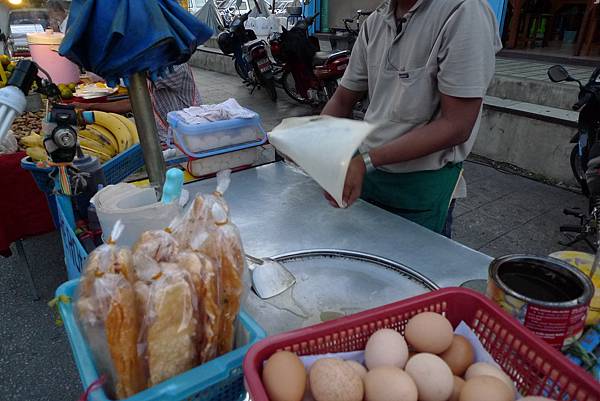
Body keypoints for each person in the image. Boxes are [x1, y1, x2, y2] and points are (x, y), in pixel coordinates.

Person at [321, 0, 502, 237]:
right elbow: (343, 98)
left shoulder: (464, 12)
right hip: (367, 177)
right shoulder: (377, 20)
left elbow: (457, 125)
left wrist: (365, 162)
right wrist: (313, 142)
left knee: (410, 269)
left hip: (419, 188)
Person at [74, 63, 201, 143]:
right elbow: (133, 103)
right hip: (165, 137)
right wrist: (88, 106)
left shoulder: (175, 66)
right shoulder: (150, 68)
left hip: (186, 140)